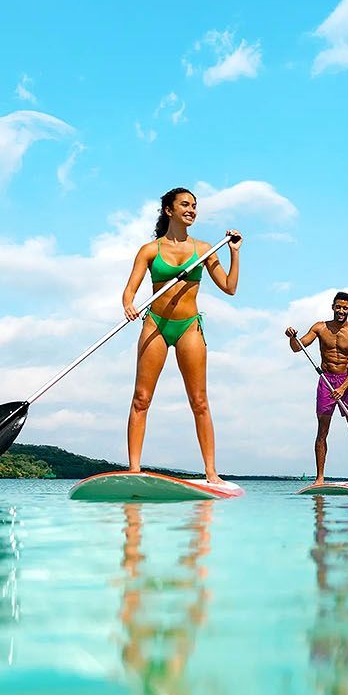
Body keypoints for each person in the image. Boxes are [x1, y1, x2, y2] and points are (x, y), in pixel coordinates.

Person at [120, 187, 241, 482]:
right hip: (155, 325)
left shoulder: (203, 249)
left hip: (188, 327)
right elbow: (129, 291)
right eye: (185, 204)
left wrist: (234, 253)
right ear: (169, 210)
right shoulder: (150, 250)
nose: (191, 209)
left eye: (194, 206)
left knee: (199, 401)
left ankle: (211, 472)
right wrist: (128, 305)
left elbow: (229, 287)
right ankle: (134, 469)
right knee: (141, 398)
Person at [286, 292, 348, 486]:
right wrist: (292, 337)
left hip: (347, 383)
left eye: (345, 308)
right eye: (338, 307)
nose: (341, 310)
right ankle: (320, 478)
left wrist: (343, 387)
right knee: (322, 431)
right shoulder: (320, 327)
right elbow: (298, 348)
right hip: (326, 380)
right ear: (333, 307)